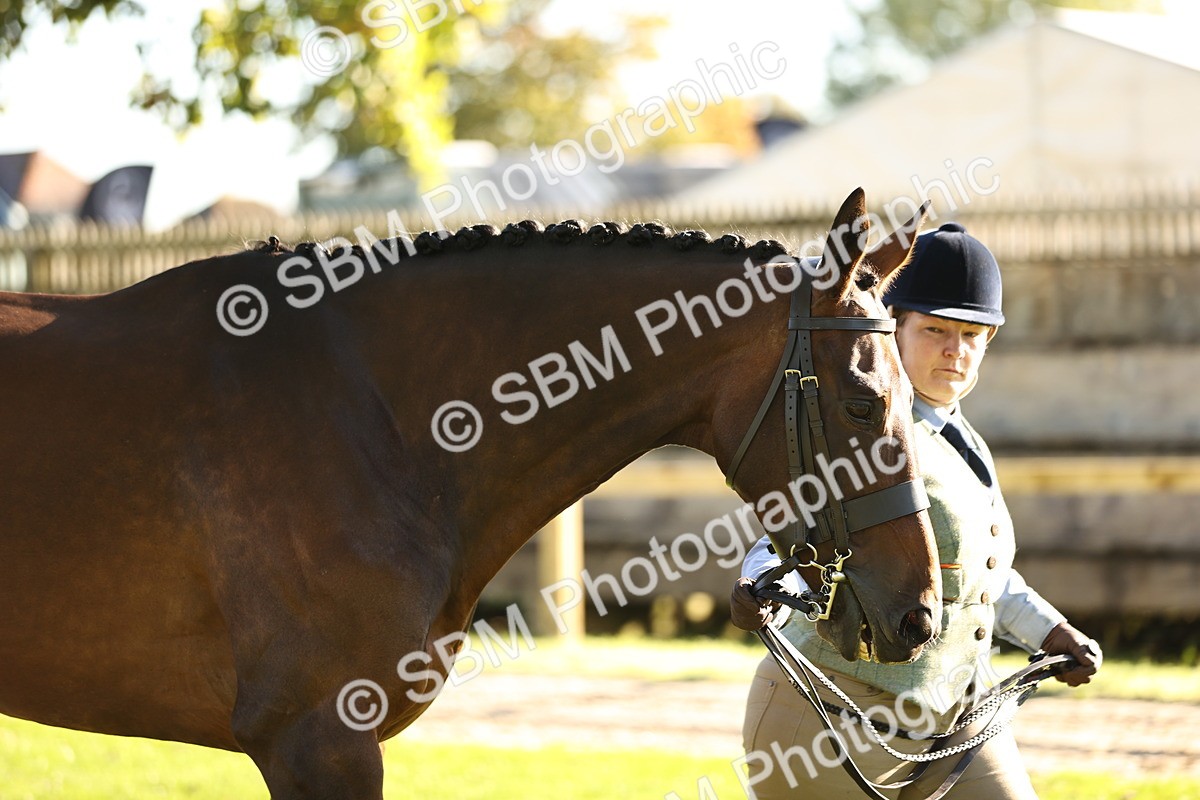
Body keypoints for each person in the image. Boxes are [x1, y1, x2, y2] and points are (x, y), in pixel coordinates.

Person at [729, 222, 1101, 800]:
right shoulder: (861, 436)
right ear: (891, 326)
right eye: (935, 330)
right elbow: (784, 545)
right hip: (830, 716)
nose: (956, 350)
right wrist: (763, 589)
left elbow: (976, 576)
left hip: (957, 716)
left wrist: (1052, 631)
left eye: (972, 334)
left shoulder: (967, 442)